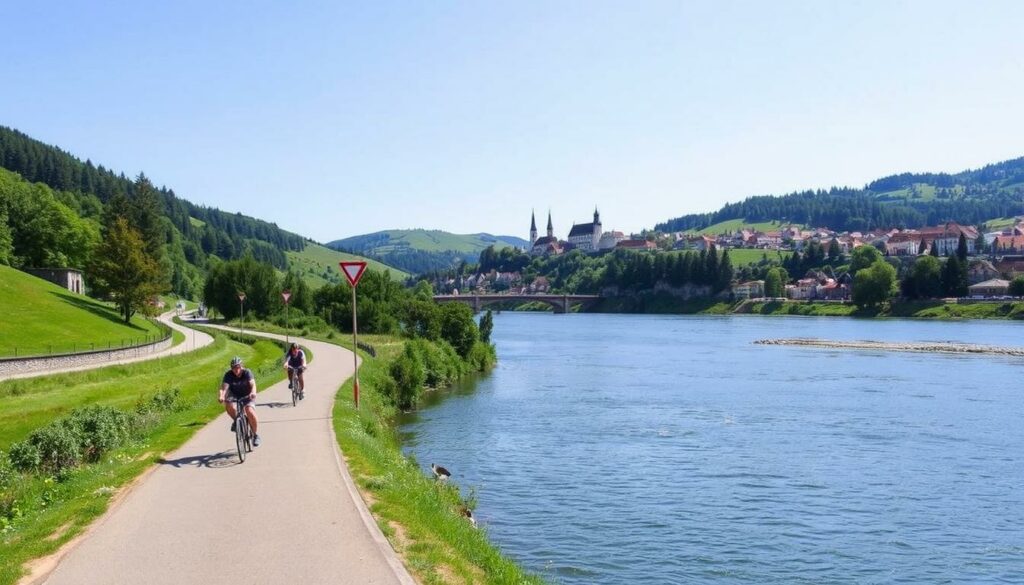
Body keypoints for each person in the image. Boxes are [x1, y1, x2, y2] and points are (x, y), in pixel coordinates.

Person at [219, 356, 260, 447]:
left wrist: (253, 392)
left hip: (248, 395)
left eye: (238, 367)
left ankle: (255, 435)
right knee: (228, 405)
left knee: (249, 411)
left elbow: (253, 384)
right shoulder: (228, 375)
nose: (236, 369)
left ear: (241, 366)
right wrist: (221, 396)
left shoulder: (247, 372)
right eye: (234, 367)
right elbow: (224, 388)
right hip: (234, 395)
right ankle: (236, 420)